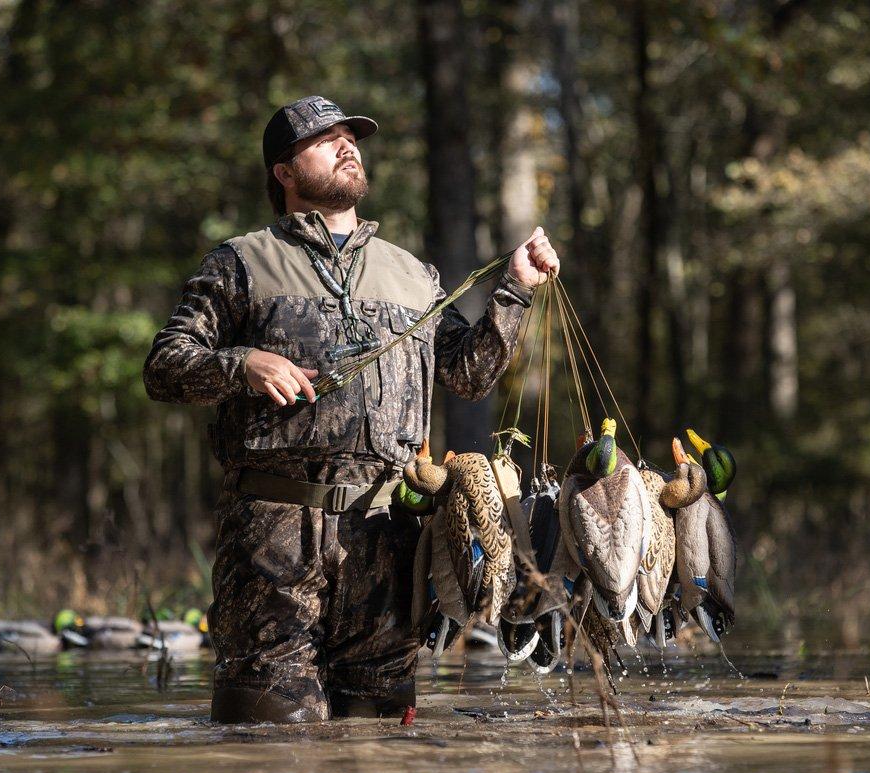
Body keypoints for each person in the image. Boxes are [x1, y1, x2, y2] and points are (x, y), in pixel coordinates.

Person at [143, 95, 560, 723]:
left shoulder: (413, 274)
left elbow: (468, 374)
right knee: (270, 752)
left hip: (390, 541)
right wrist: (244, 364)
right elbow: (164, 367)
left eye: (351, 137)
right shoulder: (241, 262)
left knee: (381, 754)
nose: (347, 147)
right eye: (324, 140)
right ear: (283, 172)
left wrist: (515, 288)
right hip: (272, 547)